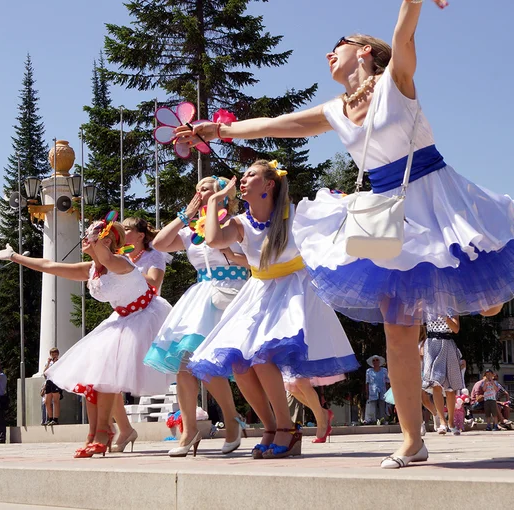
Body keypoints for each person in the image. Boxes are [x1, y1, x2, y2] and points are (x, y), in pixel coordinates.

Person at [176, 1, 514, 468]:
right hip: (387, 213)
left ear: (364, 52)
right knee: (398, 330)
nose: (328, 54)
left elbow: (403, 34)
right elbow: (275, 127)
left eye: (337, 46)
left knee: (482, 291)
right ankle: (412, 439)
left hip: (436, 197)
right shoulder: (336, 110)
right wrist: (218, 131)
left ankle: (487, 293)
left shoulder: (395, 82)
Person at [187, 160, 359, 459]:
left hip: (293, 289)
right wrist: (215, 200)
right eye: (243, 175)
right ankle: (270, 427)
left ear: (269, 184)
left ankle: (287, 428)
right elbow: (213, 239)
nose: (242, 179)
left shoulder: (294, 215)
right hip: (259, 291)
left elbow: (332, 219)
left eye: (251, 175)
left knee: (262, 354)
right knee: (239, 361)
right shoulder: (241, 222)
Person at [0, 217, 172, 458]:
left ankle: (102, 434)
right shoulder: (92, 269)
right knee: (92, 376)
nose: (85, 239)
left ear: (106, 240)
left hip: (144, 317)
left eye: (91, 236)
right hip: (122, 319)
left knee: (106, 374)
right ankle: (96, 432)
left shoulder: (119, 262)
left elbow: (106, 257)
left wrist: (100, 236)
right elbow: (49, 265)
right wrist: (15, 257)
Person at [144, 176, 251, 457]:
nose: (199, 191)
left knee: (211, 364)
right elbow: (159, 243)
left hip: (234, 294)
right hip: (202, 297)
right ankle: (189, 430)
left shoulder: (237, 222)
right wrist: (185, 216)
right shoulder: (192, 230)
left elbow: (258, 257)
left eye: (206, 187)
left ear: (223, 192)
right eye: (197, 187)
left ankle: (232, 419)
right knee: (185, 364)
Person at [106, 216, 171, 453]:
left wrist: (127, 270)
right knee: (106, 372)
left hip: (148, 316)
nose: (122, 232)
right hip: (124, 316)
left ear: (140, 235)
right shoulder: (122, 256)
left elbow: (154, 282)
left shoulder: (154, 256)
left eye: (127, 229)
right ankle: (123, 428)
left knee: (180, 370)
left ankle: (188, 425)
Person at [422, 315, 464, 435]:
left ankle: (451, 422)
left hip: (447, 344)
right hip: (431, 345)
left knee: (450, 387)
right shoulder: (428, 307)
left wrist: (446, 318)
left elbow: (455, 329)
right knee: (435, 383)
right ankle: (442, 422)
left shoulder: (452, 308)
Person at [364, 355, 390, 424]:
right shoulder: (369, 371)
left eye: (377, 360)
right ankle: (372, 420)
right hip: (372, 391)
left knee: (382, 405)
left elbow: (387, 382)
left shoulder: (384, 370)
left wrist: (388, 392)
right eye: (374, 360)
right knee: (372, 406)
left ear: (379, 361)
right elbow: (367, 383)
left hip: (382, 390)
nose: (375, 362)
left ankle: (383, 420)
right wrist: (367, 393)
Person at [43, 348, 62, 426]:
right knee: (47, 401)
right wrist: (48, 363)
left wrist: (55, 363)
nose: (53, 355)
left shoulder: (59, 362)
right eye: (52, 354)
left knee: (56, 401)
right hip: (49, 381)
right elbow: (44, 372)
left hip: (56, 381)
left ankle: (55, 419)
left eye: (55, 354)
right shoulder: (48, 363)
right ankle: (50, 418)